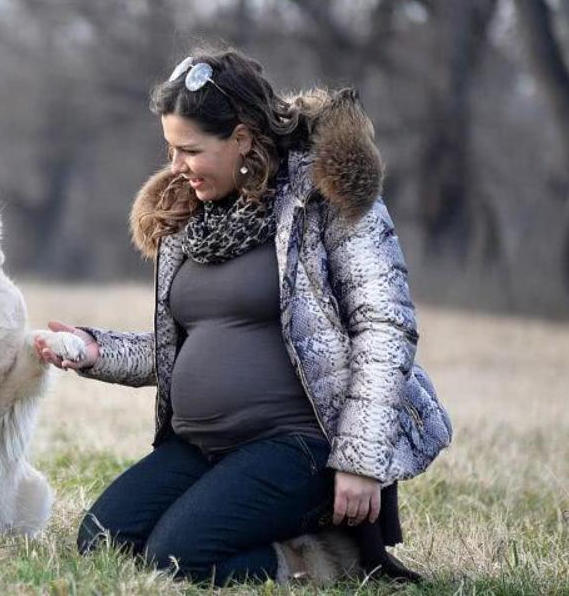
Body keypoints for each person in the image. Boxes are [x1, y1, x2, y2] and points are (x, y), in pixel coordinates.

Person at [34, 46, 453, 587]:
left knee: (175, 558)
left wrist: (361, 460)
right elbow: (185, 345)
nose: (176, 167)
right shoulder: (192, 211)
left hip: (303, 444)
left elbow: (385, 325)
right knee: (102, 540)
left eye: (189, 149)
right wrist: (96, 351)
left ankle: (333, 559)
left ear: (241, 138)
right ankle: (264, 528)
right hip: (205, 446)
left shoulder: (325, 197)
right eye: (169, 149)